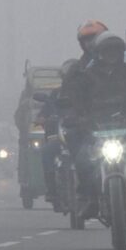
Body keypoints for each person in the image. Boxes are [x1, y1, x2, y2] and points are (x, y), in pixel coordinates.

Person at [70, 32, 126, 228]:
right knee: (82, 160)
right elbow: (74, 100)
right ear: (98, 53)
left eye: (115, 51)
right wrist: (76, 117)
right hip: (96, 131)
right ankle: (89, 198)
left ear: (121, 53)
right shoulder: (85, 77)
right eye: (106, 51)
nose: (111, 56)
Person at [38, 59, 78, 211]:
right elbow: (45, 111)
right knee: (47, 152)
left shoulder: (87, 92)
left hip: (82, 136)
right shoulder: (56, 94)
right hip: (62, 137)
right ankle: (51, 190)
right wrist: (43, 118)